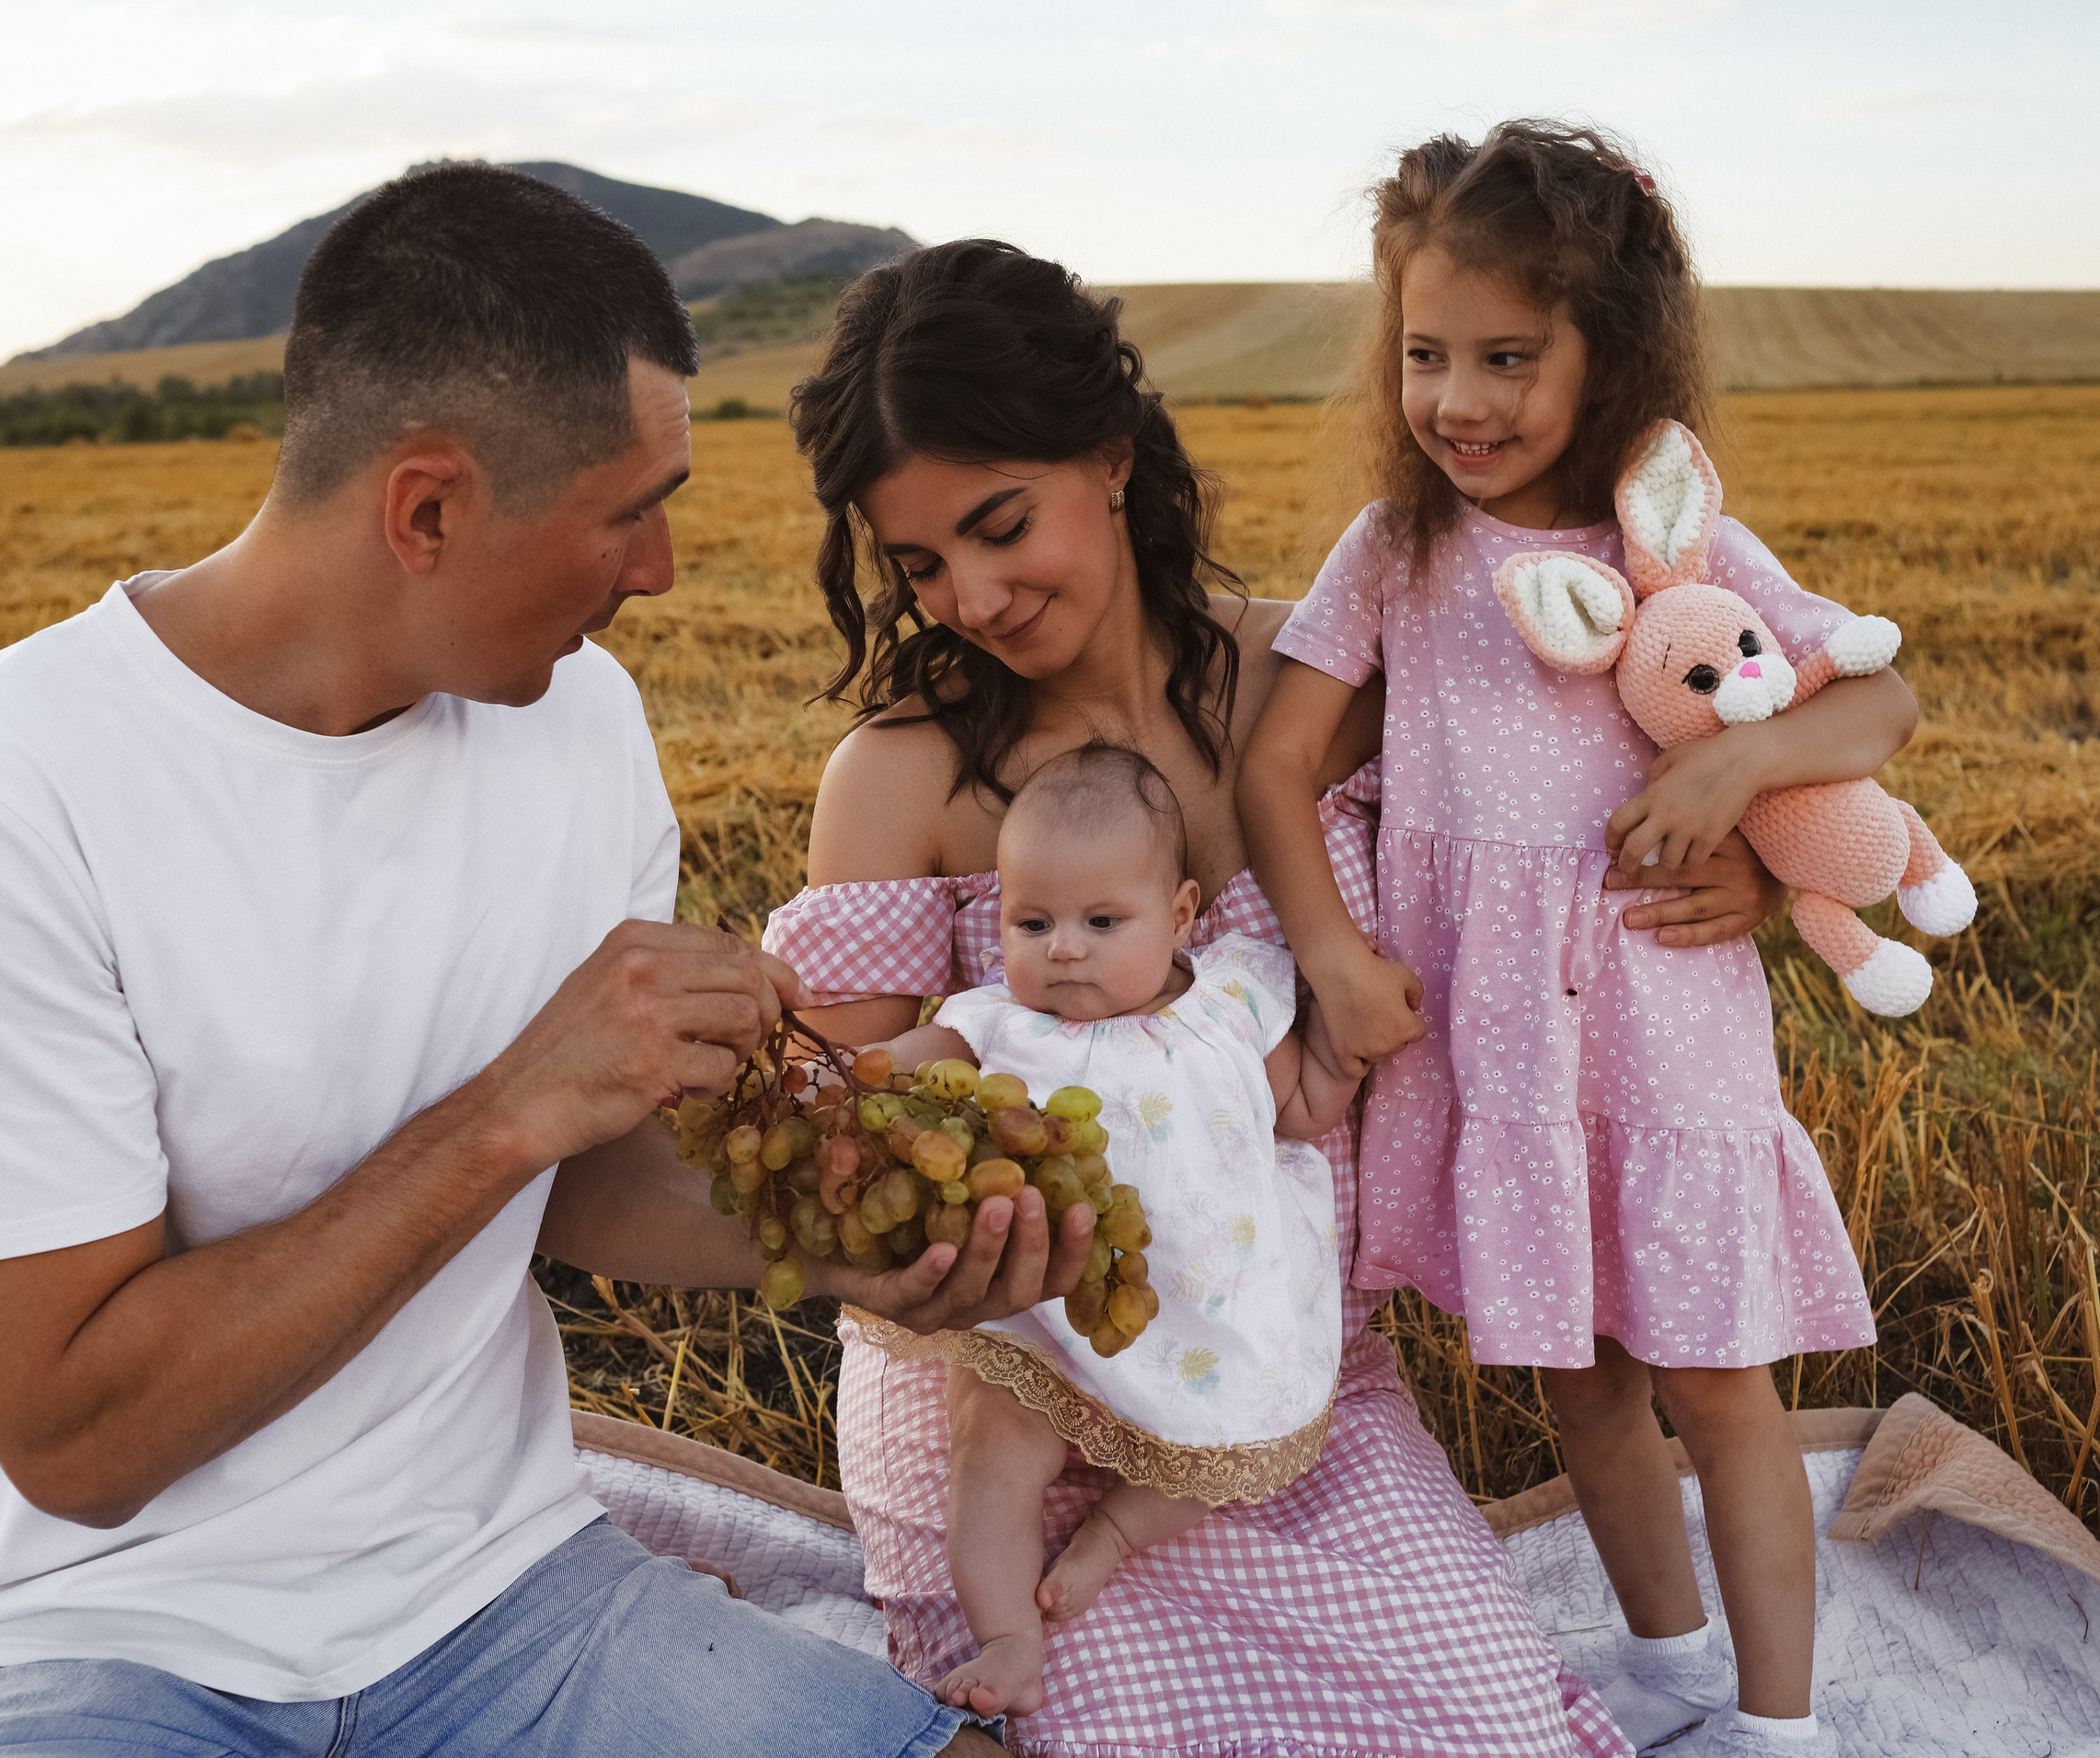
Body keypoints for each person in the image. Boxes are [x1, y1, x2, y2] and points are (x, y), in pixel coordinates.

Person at [0, 164, 1067, 1758]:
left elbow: (575, 1180)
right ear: (426, 508)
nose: (662, 575)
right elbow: (76, 1437)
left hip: (503, 1598)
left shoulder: (579, 725)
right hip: (102, 1643)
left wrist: (859, 1249)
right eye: (631, 514)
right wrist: (508, 1106)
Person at [765, 236, 1786, 1757]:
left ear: (1109, 459)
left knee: (1495, 1737)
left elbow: (1549, 837)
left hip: (1293, 1382)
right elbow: (831, 1158)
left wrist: (1738, 862)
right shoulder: (901, 779)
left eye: (999, 526)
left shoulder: (1322, 684)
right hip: (1009, 1422)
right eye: (917, 564)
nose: (967, 596)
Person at [1239, 123, 1905, 1758]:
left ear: (1611, 355)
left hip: (1661, 1024)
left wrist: (1743, 761)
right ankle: (1667, 1656)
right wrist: (1326, 947)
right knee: (1582, 1379)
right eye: (1426, 354)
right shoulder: (1399, 553)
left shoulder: (1665, 546)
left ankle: (1779, 1720)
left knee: (1719, 1375)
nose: (1459, 399)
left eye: (1509, 356)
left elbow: (1876, 697)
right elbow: (1274, 760)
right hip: (1491, 1042)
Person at [866, 742, 1349, 1719]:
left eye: (1100, 921)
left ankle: (1119, 1533)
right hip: (1043, 1308)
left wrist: (1348, 1057)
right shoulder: (1000, 1025)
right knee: (990, 1456)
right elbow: (919, 1063)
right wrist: (859, 1076)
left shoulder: (1228, 999)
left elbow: (1297, 1110)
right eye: (1031, 922)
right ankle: (1009, 1636)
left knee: (1229, 1440)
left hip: (1201, 1297)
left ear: (1178, 916)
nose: (1063, 950)